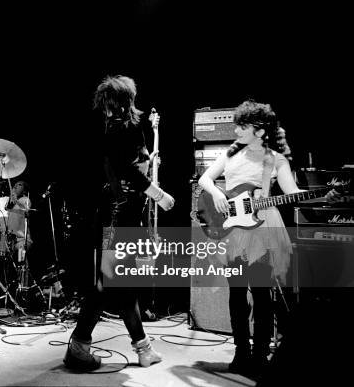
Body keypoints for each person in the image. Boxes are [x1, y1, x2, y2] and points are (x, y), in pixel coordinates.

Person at [198, 100, 336, 377]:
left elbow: (292, 192)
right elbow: (205, 180)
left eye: (243, 126)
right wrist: (216, 194)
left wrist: (322, 196)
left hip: (262, 229)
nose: (236, 130)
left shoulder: (276, 159)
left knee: (261, 294)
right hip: (233, 229)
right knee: (237, 293)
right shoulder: (229, 155)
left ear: (260, 131)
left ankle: (260, 355)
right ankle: (241, 352)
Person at [63, 75, 175, 371]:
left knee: (122, 284)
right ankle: (78, 346)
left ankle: (144, 348)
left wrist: (148, 161)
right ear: (127, 100)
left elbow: (127, 166)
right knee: (110, 283)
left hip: (118, 212)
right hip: (121, 213)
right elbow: (129, 171)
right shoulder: (124, 128)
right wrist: (159, 194)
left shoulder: (110, 129)